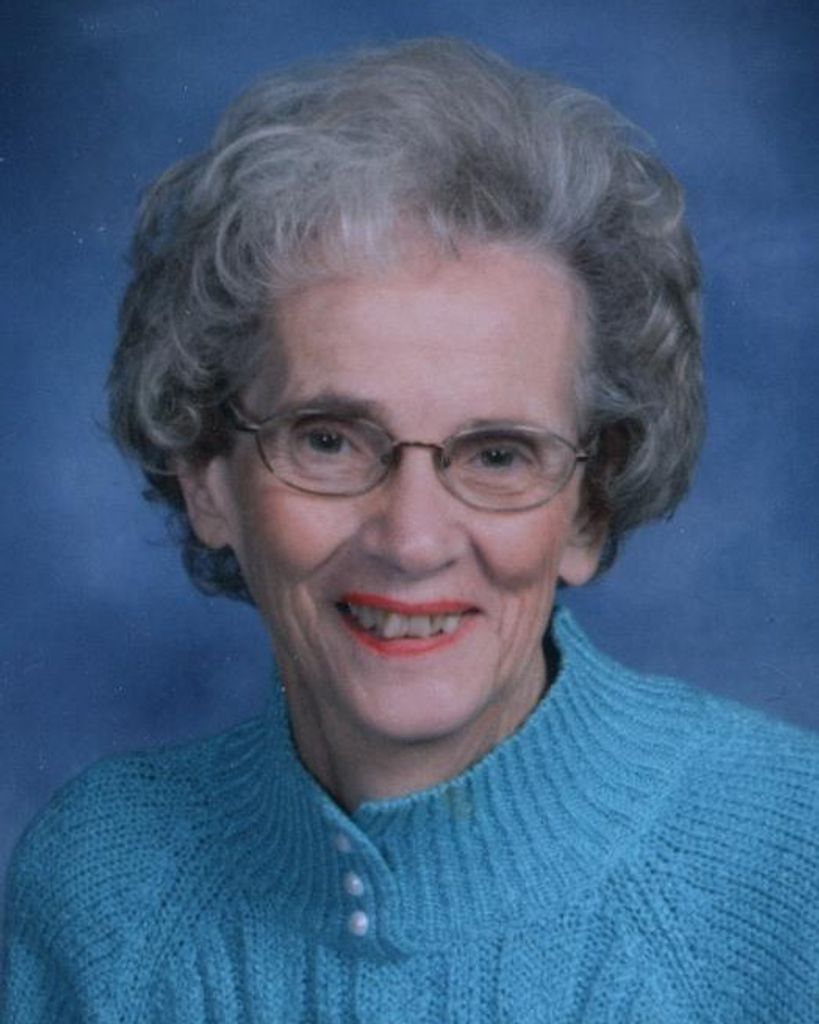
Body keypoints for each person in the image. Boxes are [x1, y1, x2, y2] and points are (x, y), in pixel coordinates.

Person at [2, 37, 817, 1023]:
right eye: (330, 439)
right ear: (207, 475)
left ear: (589, 506)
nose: (413, 538)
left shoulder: (790, 858)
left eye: (498, 453)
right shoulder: (104, 887)